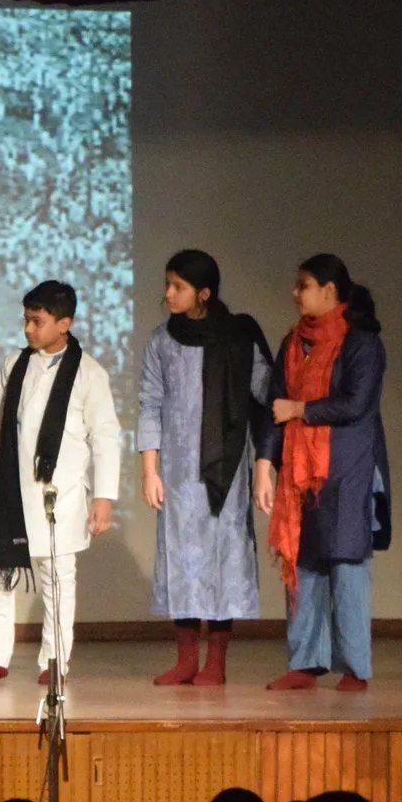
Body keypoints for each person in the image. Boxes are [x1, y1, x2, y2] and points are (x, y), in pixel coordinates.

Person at [0, 280, 121, 685]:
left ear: (64, 323)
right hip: (12, 485)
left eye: (37, 321)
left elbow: (105, 436)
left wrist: (104, 497)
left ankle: (55, 660)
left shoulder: (89, 373)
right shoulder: (15, 364)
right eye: (26, 319)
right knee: (0, 573)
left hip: (60, 491)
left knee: (57, 578)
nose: (28, 329)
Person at [136, 248, 271, 687]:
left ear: (204, 293)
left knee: (222, 560)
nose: (168, 293)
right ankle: (186, 659)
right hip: (177, 474)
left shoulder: (237, 338)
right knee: (182, 559)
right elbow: (150, 405)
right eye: (167, 285)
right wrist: (150, 470)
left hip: (226, 469)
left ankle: (216, 661)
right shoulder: (162, 341)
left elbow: (265, 393)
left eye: (178, 286)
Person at [263, 253, 389, 691]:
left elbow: (355, 404)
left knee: (347, 565)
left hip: (348, 468)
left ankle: (354, 667)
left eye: (304, 285)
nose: (295, 293)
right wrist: (264, 462)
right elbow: (275, 405)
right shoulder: (294, 342)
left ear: (329, 291)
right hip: (300, 471)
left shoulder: (361, 342)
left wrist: (301, 409)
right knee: (305, 562)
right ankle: (305, 662)